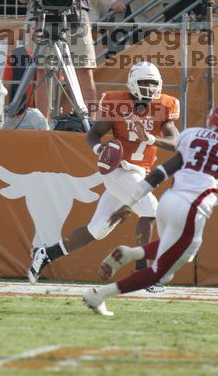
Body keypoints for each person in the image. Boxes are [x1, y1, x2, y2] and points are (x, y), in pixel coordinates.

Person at [81, 102, 218, 315]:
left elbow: (159, 174)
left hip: (168, 200)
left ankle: (131, 253)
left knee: (178, 250)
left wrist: (130, 203)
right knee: (160, 274)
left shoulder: (193, 136)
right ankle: (99, 295)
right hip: (192, 209)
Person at [28, 62, 180, 291]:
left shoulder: (164, 106)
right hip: (118, 169)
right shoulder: (117, 102)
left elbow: (176, 142)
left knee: (96, 230)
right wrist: (99, 150)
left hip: (139, 174)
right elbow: (94, 134)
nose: (149, 89)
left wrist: (150, 139)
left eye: (153, 84)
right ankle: (143, 274)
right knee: (150, 208)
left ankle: (46, 254)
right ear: (131, 84)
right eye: (143, 83)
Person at [13, 0, 101, 117]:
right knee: (42, 73)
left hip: (76, 22)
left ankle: (90, 121)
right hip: (42, 20)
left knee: (84, 71)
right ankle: (43, 124)